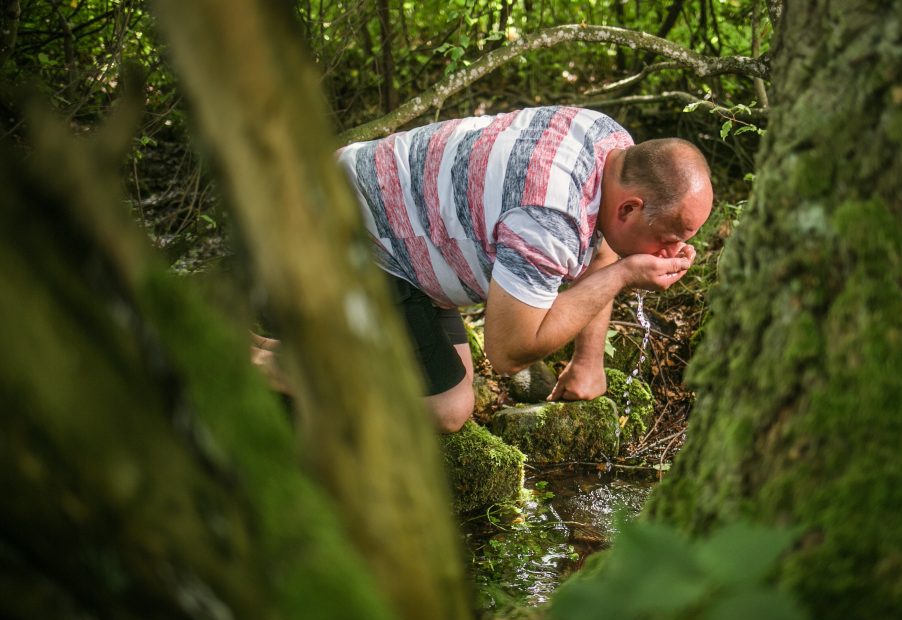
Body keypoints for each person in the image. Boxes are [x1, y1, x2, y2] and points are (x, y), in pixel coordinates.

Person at [254, 106, 713, 433]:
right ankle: (278, 367)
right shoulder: (549, 215)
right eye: (672, 235)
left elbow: (602, 247)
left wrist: (587, 363)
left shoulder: (611, 141)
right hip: (348, 234)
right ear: (631, 208)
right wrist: (623, 276)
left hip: (396, 222)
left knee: (459, 373)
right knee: (448, 408)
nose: (676, 249)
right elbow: (510, 351)